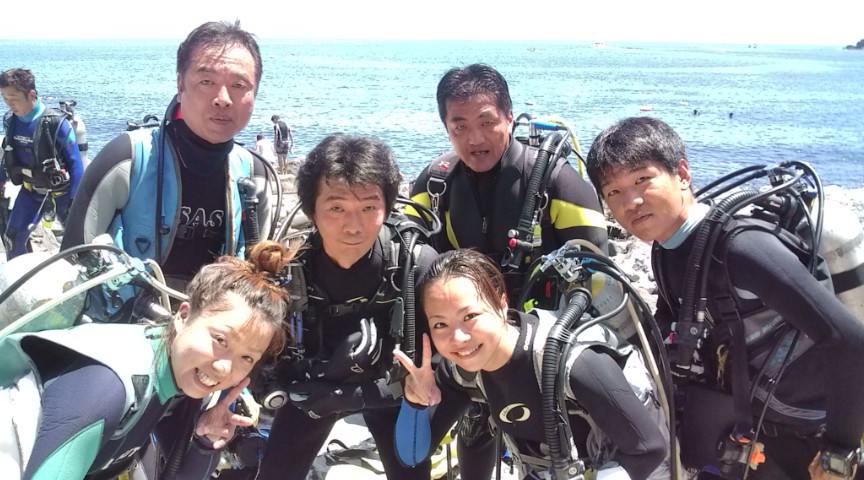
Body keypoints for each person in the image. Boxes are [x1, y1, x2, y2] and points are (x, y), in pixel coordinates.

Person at [586, 116, 864, 480]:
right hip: (751, 424)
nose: (631, 202)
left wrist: (839, 450)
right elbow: (669, 326)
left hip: (812, 431)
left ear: (682, 174)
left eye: (642, 180)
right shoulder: (666, 250)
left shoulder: (741, 248)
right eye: (613, 192)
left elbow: (848, 339)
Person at [406, 63, 609, 477]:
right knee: (464, 434)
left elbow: (597, 273)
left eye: (487, 122)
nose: (475, 138)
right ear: (446, 127)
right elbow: (407, 257)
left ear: (509, 117)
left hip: (537, 348)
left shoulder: (556, 182)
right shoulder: (435, 183)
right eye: (459, 126)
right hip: (464, 341)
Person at [0, 240, 296, 480]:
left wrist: (206, 441)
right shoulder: (106, 388)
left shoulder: (178, 375)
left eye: (247, 357)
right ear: (183, 316)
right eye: (220, 340)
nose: (224, 367)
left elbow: (180, 475)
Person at [393, 249, 670, 480]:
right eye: (440, 324)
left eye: (470, 316)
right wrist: (415, 402)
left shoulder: (574, 363)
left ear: (501, 303)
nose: (458, 338)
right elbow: (411, 455)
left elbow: (650, 449)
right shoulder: (462, 371)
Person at [255, 134, 437, 480]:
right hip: (313, 390)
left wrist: (358, 397)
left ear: (387, 208)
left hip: (391, 390)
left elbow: (448, 360)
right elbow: (258, 360)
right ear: (311, 210)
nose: (353, 226)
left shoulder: (416, 265)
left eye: (369, 208)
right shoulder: (287, 269)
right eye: (336, 208)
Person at [61, 20, 273, 293]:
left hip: (217, 316)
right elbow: (70, 264)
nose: (223, 98)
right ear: (180, 84)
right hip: (128, 314)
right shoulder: (128, 158)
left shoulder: (255, 174)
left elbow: (259, 280)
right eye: (206, 81)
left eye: (239, 85)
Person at [1, 68, 83, 259]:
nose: (9, 103)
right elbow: (8, 154)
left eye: (13, 98)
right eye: (4, 98)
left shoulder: (56, 123)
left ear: (31, 95)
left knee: (77, 246)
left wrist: (74, 203)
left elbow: (76, 166)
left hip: (61, 195)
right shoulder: (10, 121)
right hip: (31, 191)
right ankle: (21, 278)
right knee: (12, 239)